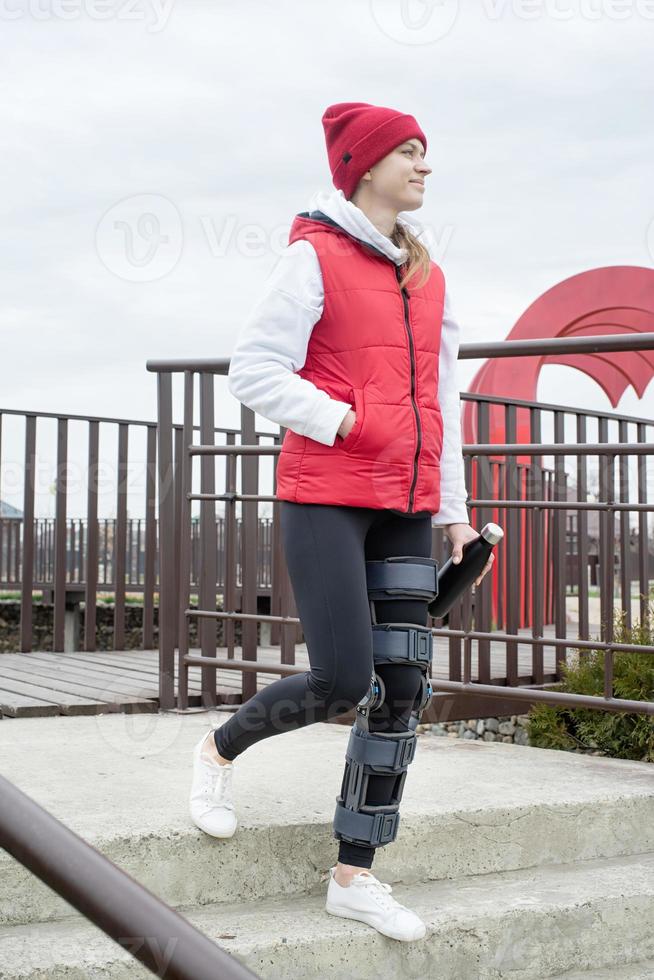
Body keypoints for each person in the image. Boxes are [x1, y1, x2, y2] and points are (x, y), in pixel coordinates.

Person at [189, 101, 494, 943]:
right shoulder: (312, 255)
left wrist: (457, 515)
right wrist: (347, 421)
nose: (424, 166)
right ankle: (220, 750)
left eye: (427, 153)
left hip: (406, 505)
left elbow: (442, 405)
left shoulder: (428, 279)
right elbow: (253, 368)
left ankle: (355, 873)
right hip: (324, 491)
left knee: (403, 691)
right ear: (364, 166)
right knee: (344, 680)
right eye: (408, 153)